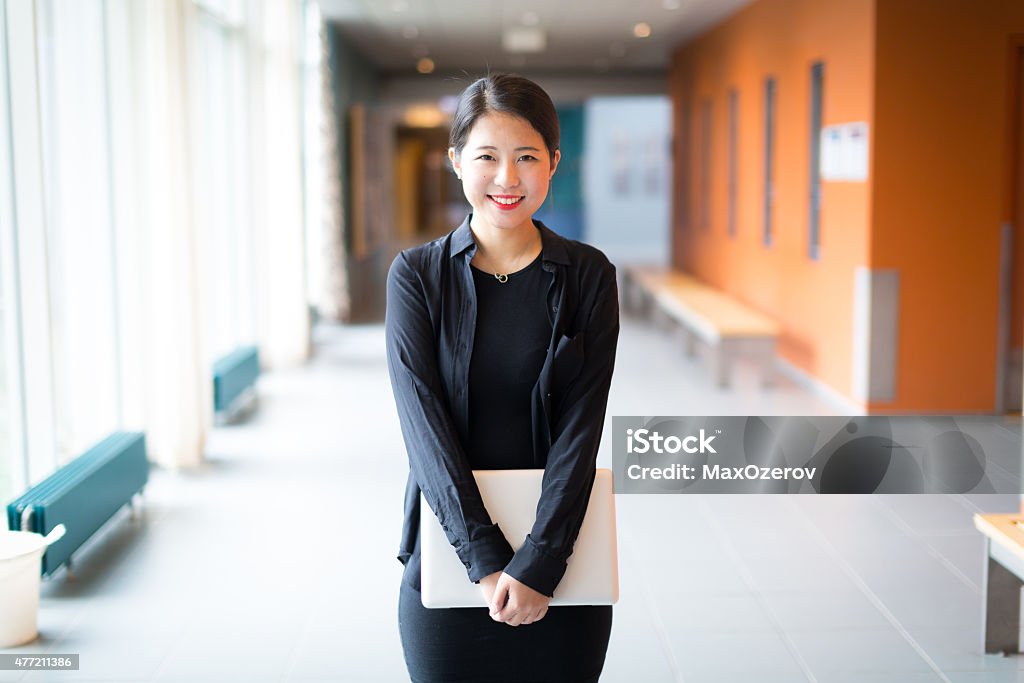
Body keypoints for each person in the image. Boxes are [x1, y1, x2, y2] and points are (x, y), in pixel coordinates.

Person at [385, 72, 619, 683]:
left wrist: (539, 564)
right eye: (487, 157)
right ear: (456, 160)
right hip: (452, 553)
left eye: (527, 158)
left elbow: (581, 426)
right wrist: (486, 560)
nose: (507, 179)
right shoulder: (416, 277)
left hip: (562, 560)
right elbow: (424, 430)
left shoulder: (589, 276)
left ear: (553, 163)